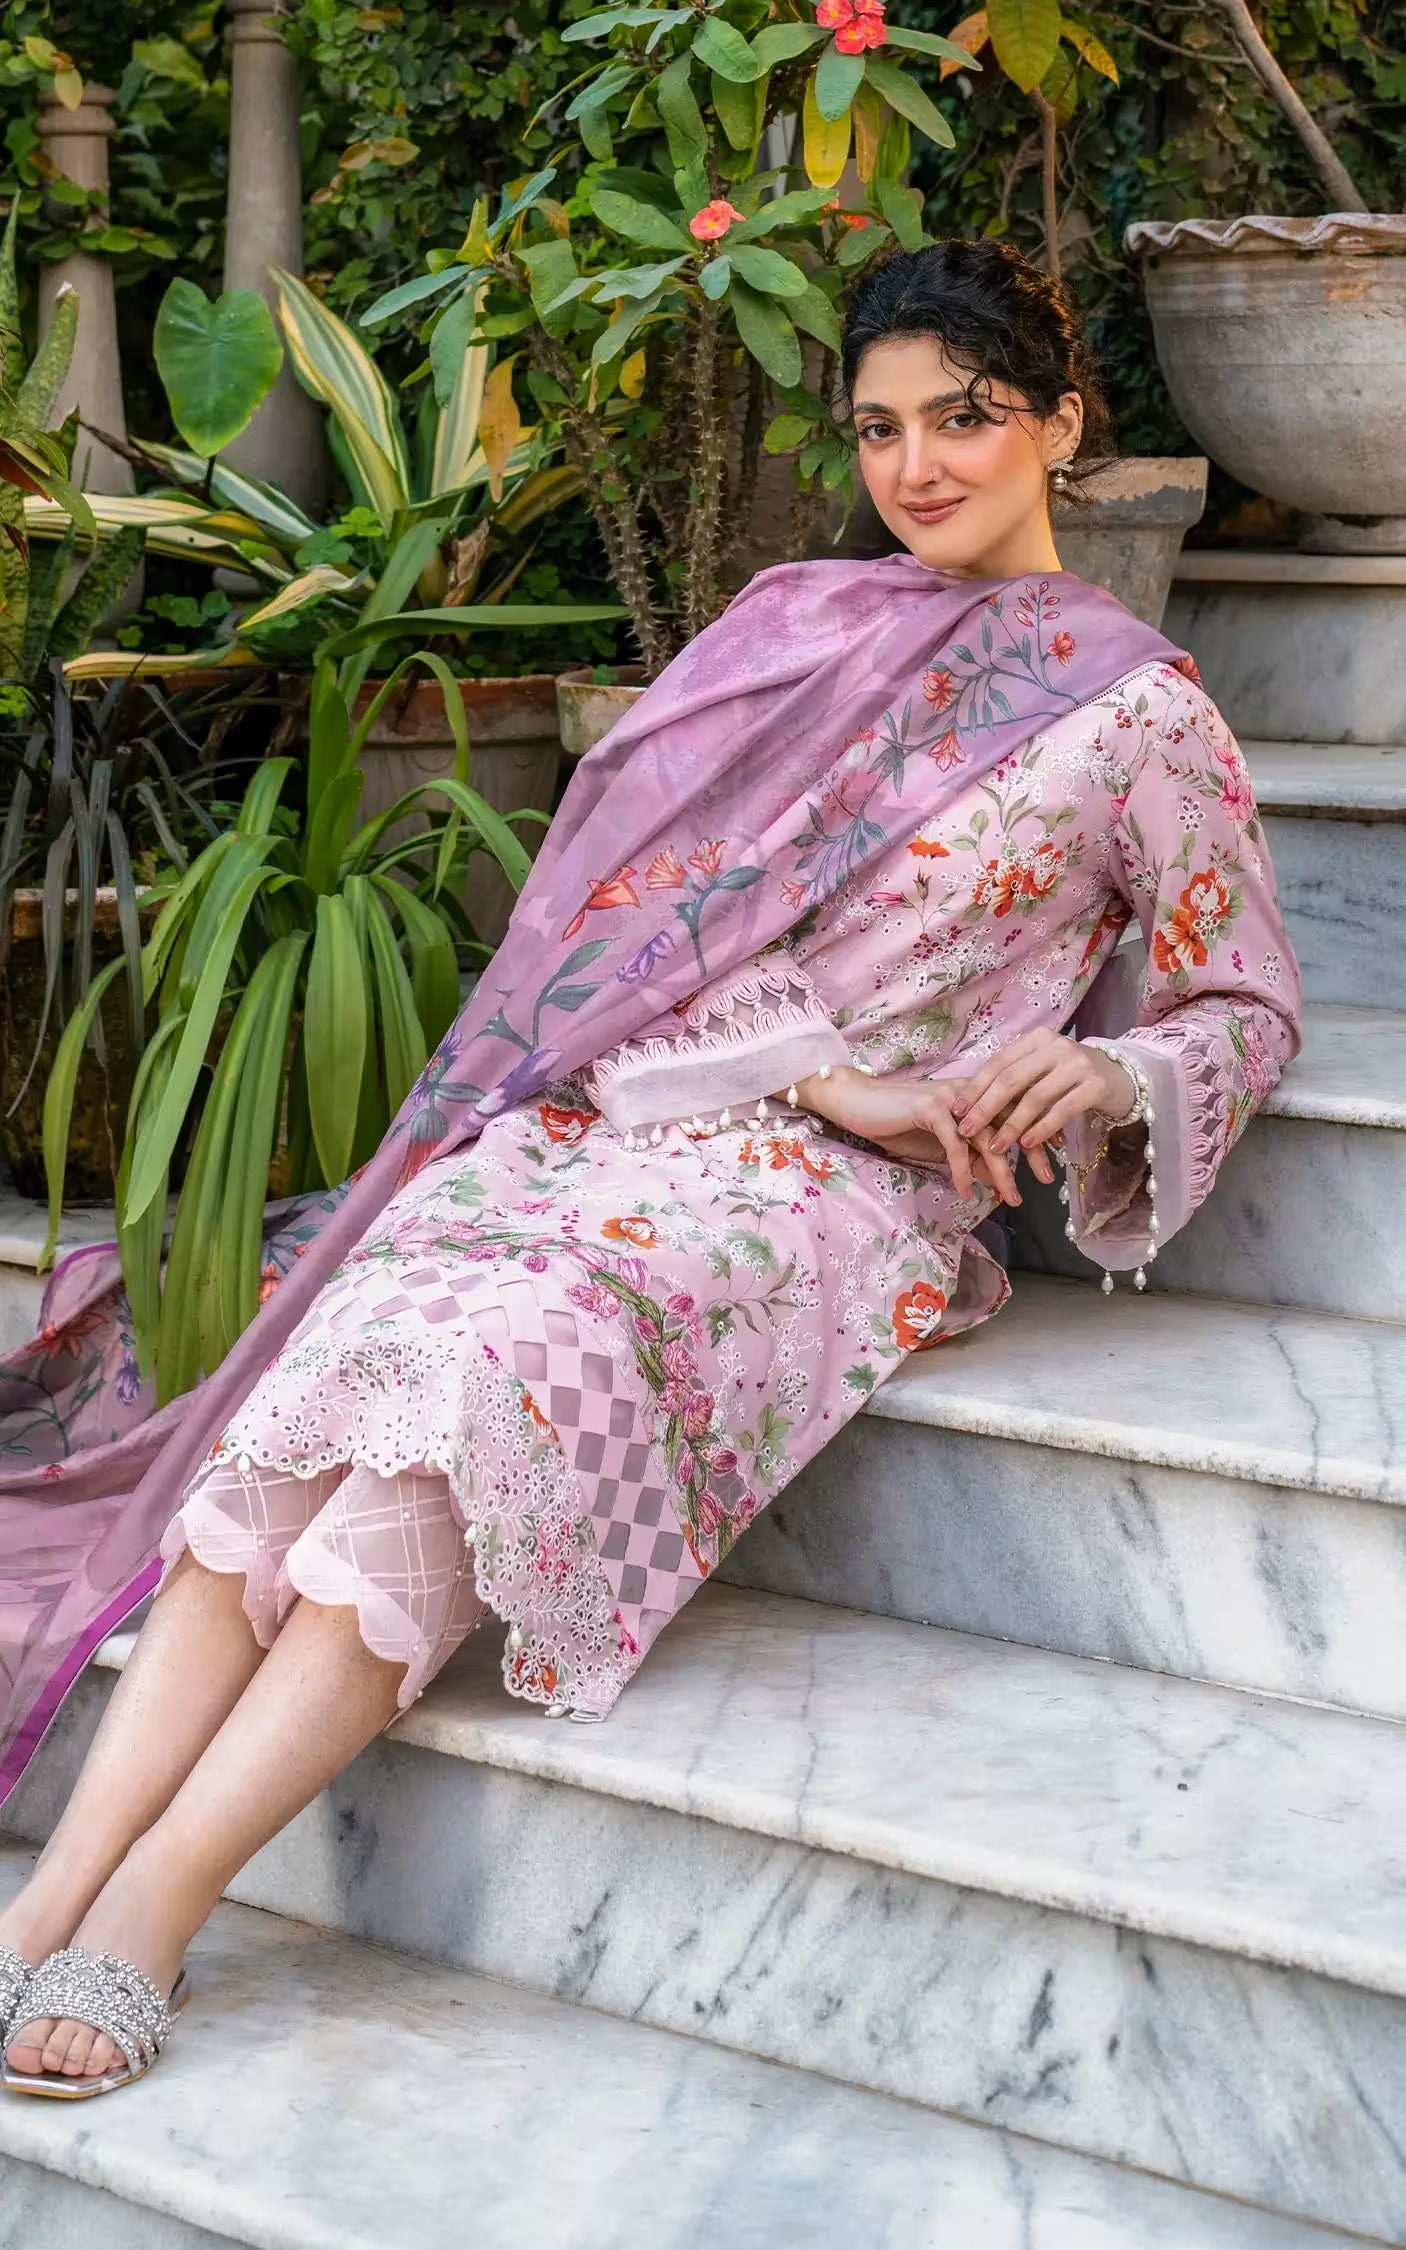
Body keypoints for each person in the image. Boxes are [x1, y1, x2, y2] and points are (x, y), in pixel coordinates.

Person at [0, 238, 1299, 2094]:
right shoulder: (792, 625)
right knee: (336, 1373)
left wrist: (1094, 1062)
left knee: (488, 1373)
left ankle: (155, 1914)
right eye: (879, 428)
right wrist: (820, 1069)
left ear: (1061, 425)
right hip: (645, 1104)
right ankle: (46, 1903)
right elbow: (634, 916)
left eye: (966, 418)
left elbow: (1241, 1000)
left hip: (840, 1208)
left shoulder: (1143, 713)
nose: (918, 466)